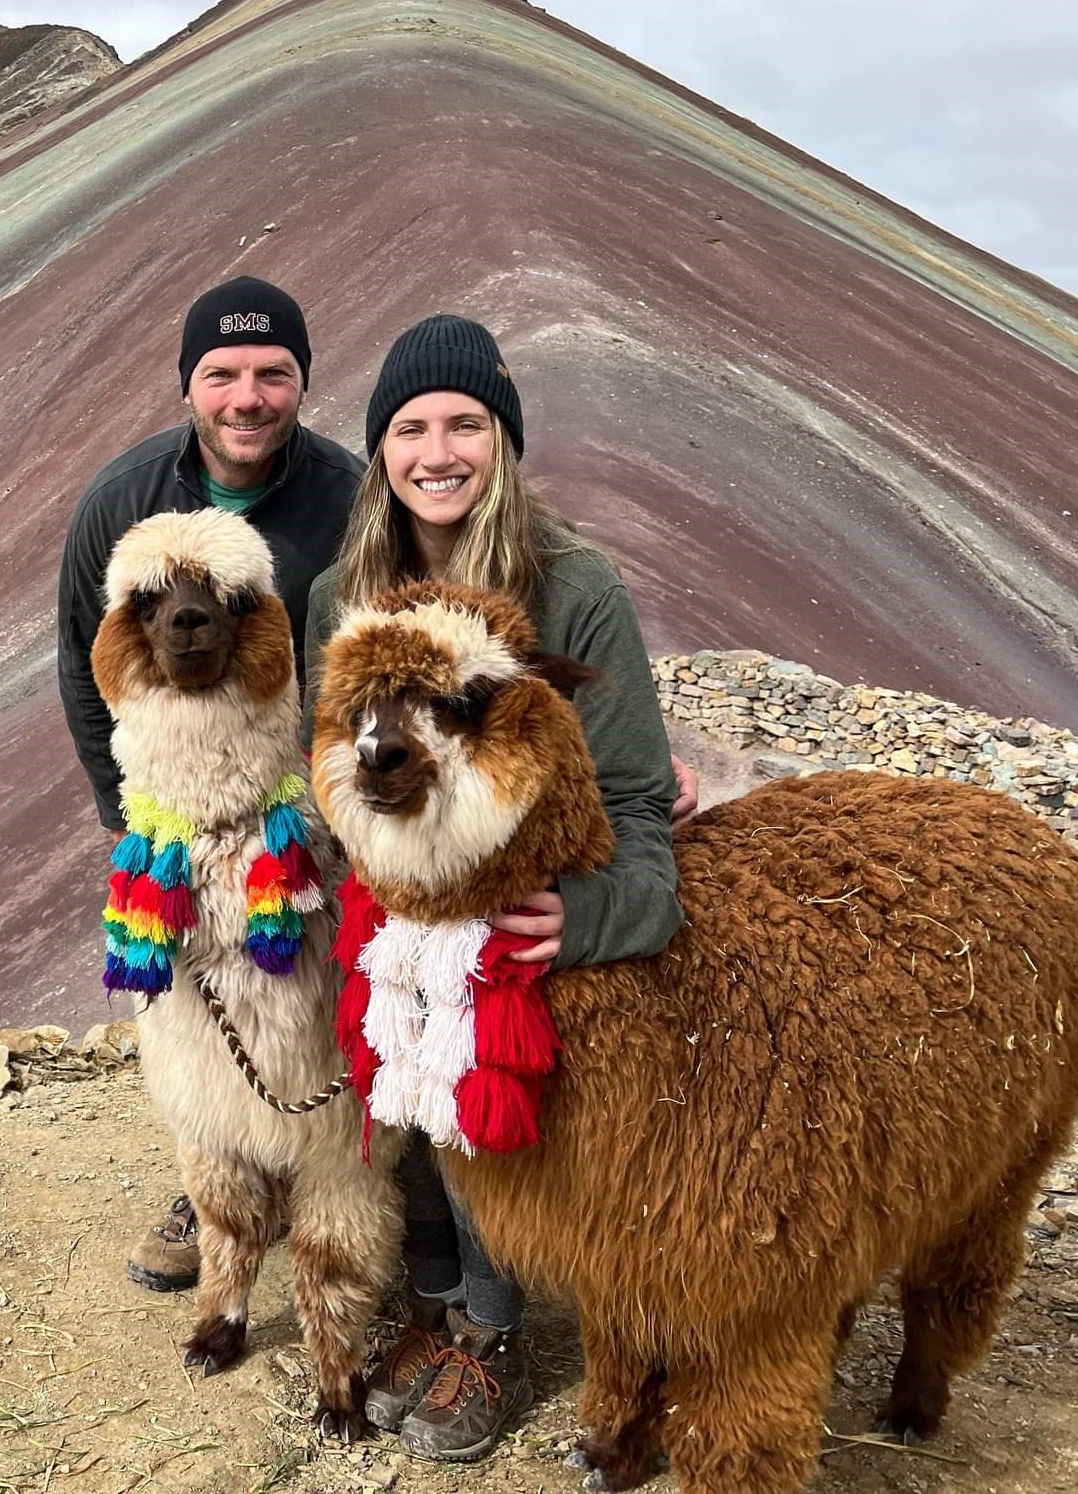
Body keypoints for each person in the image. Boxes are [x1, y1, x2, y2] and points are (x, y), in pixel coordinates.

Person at [300, 314, 697, 1463]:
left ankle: (494, 1325)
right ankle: (438, 1296)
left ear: (502, 440)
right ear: (379, 451)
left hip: (520, 922)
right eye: (410, 427)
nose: (437, 451)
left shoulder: (573, 589)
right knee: (402, 1096)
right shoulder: (343, 595)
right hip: (397, 907)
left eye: (464, 424)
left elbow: (629, 798)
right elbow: (325, 761)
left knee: (489, 1100)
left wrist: (592, 919)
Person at [56, 275, 364, 1292]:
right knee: (192, 1008)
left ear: (300, 382)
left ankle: (332, 1177)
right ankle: (216, 1183)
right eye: (221, 373)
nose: (247, 397)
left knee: (305, 1004)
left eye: (272, 373)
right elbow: (83, 658)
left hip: (307, 811)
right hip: (177, 816)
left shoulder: (349, 499)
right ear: (189, 384)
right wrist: (131, 818)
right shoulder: (124, 500)